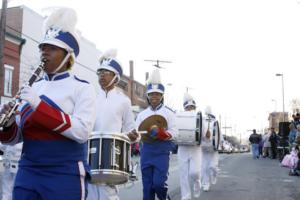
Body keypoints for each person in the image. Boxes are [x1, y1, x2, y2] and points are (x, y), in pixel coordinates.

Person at [0, 8, 97, 200]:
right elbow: (14, 139)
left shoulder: (82, 88)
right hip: (28, 170)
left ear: (68, 55)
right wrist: (9, 124)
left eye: (52, 48)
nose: (45, 52)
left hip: (64, 173)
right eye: (43, 47)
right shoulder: (34, 86)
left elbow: (82, 132)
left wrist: (39, 106)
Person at [86, 49, 139, 200]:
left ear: (115, 77)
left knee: (107, 195)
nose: (102, 75)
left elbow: (131, 129)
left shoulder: (124, 101)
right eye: (100, 72)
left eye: (106, 72)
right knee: (89, 194)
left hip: (112, 154)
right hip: (91, 152)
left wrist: (133, 135)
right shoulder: (92, 98)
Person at [135, 69, 178, 200]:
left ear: (162, 96)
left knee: (159, 184)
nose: (154, 96)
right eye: (152, 94)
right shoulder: (141, 115)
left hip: (161, 152)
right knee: (147, 188)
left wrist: (164, 134)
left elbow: (175, 132)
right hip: (146, 152)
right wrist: (134, 135)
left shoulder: (169, 113)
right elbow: (137, 133)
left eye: (157, 94)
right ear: (148, 96)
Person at [177, 93, 202, 200]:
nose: (190, 109)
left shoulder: (200, 118)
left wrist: (207, 135)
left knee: (194, 172)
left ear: (195, 108)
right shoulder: (179, 117)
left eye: (192, 107)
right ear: (184, 108)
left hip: (195, 149)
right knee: (183, 174)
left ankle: (197, 182)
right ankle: (186, 196)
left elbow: (205, 136)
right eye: (188, 108)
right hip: (182, 148)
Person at [200, 106, 221, 192]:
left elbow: (219, 135)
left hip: (213, 149)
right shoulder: (201, 121)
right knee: (204, 168)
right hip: (204, 148)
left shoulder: (215, 122)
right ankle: (206, 184)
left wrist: (219, 144)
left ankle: (214, 174)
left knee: (213, 167)